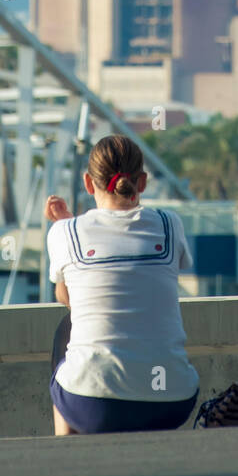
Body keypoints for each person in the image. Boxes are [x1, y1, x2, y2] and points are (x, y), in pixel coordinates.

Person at [45, 133, 200, 435]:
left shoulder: (65, 232)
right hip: (173, 400)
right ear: (142, 183)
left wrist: (62, 223)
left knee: (66, 329)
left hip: (94, 406)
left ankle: (66, 458)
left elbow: (71, 300)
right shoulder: (170, 224)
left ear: (89, 183)